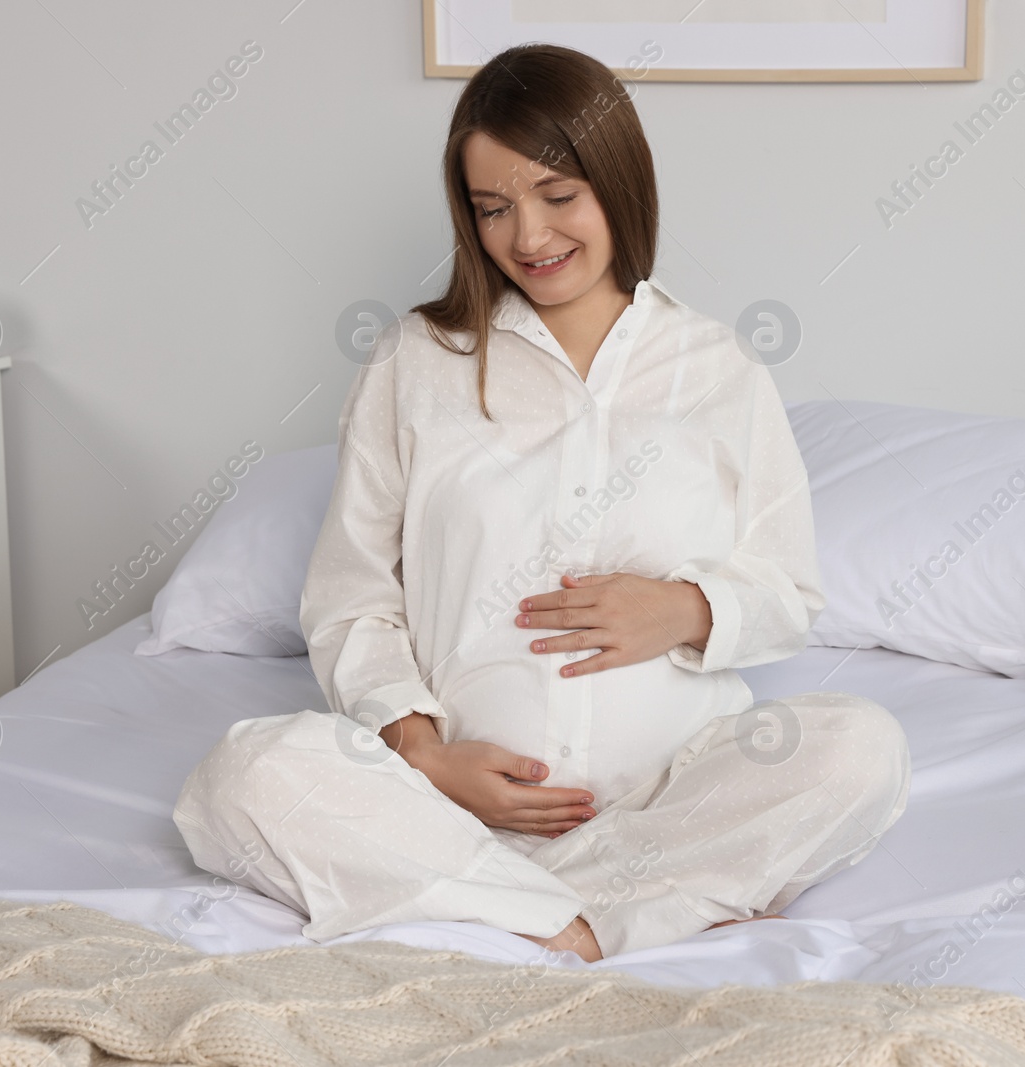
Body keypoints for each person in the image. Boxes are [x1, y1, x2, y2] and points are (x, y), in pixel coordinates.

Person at [173, 43, 909, 964]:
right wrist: (423, 754)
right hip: (447, 806)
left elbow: (787, 592)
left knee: (858, 748)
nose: (528, 237)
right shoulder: (416, 362)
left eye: (558, 196)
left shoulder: (719, 368)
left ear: (617, 182)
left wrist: (683, 608)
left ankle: (505, 911)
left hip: (670, 796)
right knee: (245, 773)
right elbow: (349, 597)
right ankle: (597, 919)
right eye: (493, 208)